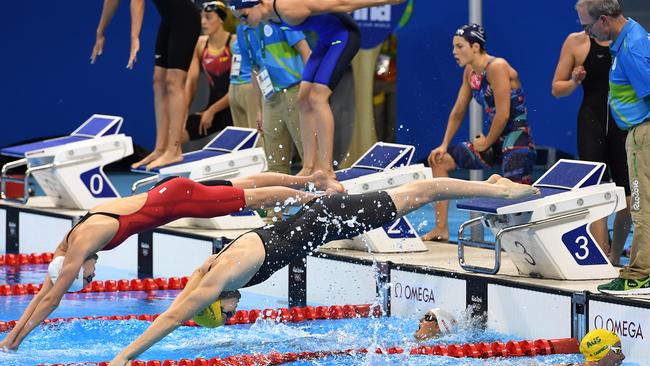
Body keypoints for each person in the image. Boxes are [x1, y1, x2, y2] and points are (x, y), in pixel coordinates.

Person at [107, 174, 539, 364]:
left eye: (229, 313)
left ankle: (497, 188)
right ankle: (493, 186)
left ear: (217, 303)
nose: (236, 311)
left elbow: (172, 316)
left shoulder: (224, 277)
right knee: (414, 195)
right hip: (317, 219)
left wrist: (124, 356)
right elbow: (183, 299)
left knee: (419, 194)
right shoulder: (211, 269)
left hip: (323, 220)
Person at [0, 171, 342, 351]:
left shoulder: (83, 242)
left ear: (76, 268)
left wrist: (15, 342)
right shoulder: (70, 245)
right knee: (245, 183)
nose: (91, 277)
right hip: (170, 195)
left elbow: (54, 296)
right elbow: (46, 289)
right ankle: (311, 177)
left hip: (177, 201)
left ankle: (317, 197)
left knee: (252, 197)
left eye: (86, 278)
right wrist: (12, 337)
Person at [229, 0, 404, 179]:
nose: (244, 22)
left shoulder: (287, 8)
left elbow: (343, 4)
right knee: (303, 98)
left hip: (344, 36)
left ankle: (326, 169)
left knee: (318, 97)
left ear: (255, 4)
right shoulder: (267, 17)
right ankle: (308, 166)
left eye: (244, 16)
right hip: (326, 39)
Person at [421, 24, 537, 242]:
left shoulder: (497, 66)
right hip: (493, 141)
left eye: (459, 46)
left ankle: (526, 244)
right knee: (440, 160)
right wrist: (444, 144)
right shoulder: (470, 72)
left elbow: (503, 115)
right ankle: (441, 229)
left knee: (514, 199)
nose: (454, 52)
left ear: (475, 47)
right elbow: (458, 111)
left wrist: (486, 143)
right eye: (454, 47)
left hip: (517, 143)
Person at [573, 0, 650, 295]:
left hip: (644, 133)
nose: (585, 32)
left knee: (641, 206)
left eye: (587, 26)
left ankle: (640, 273)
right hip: (639, 132)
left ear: (603, 20)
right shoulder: (631, 37)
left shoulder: (631, 48)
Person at [552, 28, 631, 264]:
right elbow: (556, 88)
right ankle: (601, 259)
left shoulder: (630, 37)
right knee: (597, 192)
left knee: (627, 198)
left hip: (623, 125)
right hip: (591, 122)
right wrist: (575, 81)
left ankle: (615, 257)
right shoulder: (576, 41)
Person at [91, 0, 201, 171]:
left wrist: (135, 37)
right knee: (158, 80)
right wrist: (100, 31)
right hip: (169, 20)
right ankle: (160, 148)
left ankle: (174, 149)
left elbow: (138, 2)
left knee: (174, 82)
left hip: (185, 18)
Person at [237, 21, 310, 174]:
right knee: (275, 164)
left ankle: (320, 194)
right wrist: (259, 109)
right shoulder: (243, 30)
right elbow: (254, 71)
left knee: (310, 156)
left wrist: (309, 87)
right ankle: (281, 196)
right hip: (269, 98)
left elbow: (305, 51)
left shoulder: (280, 19)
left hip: (295, 90)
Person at [183, 1, 235, 142]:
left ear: (221, 19)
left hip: (235, 108)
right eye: (202, 17)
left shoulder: (233, 43)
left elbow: (238, 88)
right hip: (211, 111)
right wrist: (183, 113)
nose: (203, 22)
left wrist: (212, 110)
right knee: (175, 133)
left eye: (208, 17)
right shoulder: (200, 44)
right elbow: (191, 82)